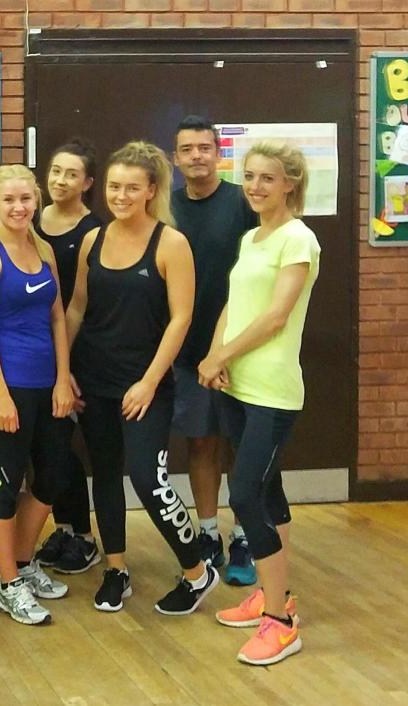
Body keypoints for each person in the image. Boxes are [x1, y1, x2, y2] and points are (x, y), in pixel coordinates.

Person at [67, 141, 219, 615]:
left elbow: (181, 319)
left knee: (149, 479)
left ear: (151, 190)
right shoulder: (93, 240)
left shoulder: (171, 243)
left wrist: (150, 382)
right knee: (105, 473)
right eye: (114, 187)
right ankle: (116, 569)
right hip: (93, 379)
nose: (121, 196)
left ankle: (197, 571)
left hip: (145, 385)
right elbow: (76, 308)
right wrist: (62, 371)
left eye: (132, 188)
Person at [199, 141, 318, 666]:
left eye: (267, 178)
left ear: (290, 184)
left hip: (272, 390)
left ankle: (281, 624)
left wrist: (220, 354)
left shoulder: (299, 239)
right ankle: (275, 595)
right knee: (268, 492)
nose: (255, 186)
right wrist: (215, 355)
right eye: (249, 176)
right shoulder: (252, 237)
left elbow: (275, 316)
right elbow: (236, 304)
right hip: (236, 383)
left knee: (246, 496)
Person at [0, 164, 74, 626]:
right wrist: (0, 395)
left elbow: (57, 318)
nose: (18, 207)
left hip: (48, 385)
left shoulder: (43, 250)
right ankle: (7, 584)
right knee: (6, 484)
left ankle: (23, 564)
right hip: (7, 387)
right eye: (8, 200)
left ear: (36, 201)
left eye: (25, 199)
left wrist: (63, 378)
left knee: (51, 478)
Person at [171, 116, 260, 586]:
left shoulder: (243, 202)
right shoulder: (166, 207)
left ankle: (245, 536)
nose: (197, 156)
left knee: (243, 446)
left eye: (205, 148)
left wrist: (226, 350)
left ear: (218, 154)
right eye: (187, 149)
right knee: (201, 442)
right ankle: (208, 533)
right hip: (188, 352)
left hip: (242, 348)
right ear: (176, 158)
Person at [32, 139, 104, 576]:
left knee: (65, 446)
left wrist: (66, 365)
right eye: (56, 171)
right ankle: (62, 528)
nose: (60, 180)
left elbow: (77, 305)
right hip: (31, 351)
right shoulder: (31, 219)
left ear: (88, 182)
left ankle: (84, 535)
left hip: (73, 352)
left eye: (71, 174)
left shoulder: (93, 231)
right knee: (43, 448)